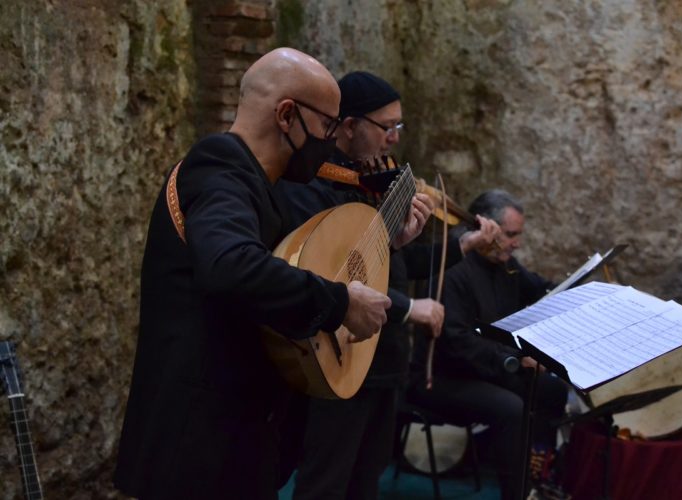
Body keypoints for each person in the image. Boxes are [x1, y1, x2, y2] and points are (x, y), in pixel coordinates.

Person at [112, 48, 399, 500]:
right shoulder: (220, 169)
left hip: (233, 441)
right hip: (197, 450)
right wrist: (342, 303)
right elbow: (230, 266)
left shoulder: (257, 183)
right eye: (327, 125)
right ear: (287, 115)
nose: (330, 141)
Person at [276, 71, 496, 500]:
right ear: (348, 126)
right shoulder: (313, 187)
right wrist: (410, 308)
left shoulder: (370, 184)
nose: (394, 138)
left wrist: (460, 244)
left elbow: (385, 266)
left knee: (367, 478)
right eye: (387, 126)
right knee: (326, 481)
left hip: (385, 359)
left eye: (399, 126)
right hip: (341, 356)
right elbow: (333, 276)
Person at [409, 189, 569, 500]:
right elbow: (454, 342)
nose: (516, 243)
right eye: (510, 235)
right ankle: (518, 493)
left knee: (552, 390)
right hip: (441, 377)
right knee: (510, 407)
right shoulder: (453, 266)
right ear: (488, 229)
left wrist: (575, 292)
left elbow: (538, 290)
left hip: (487, 368)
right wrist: (515, 358)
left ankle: (537, 478)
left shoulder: (505, 264)